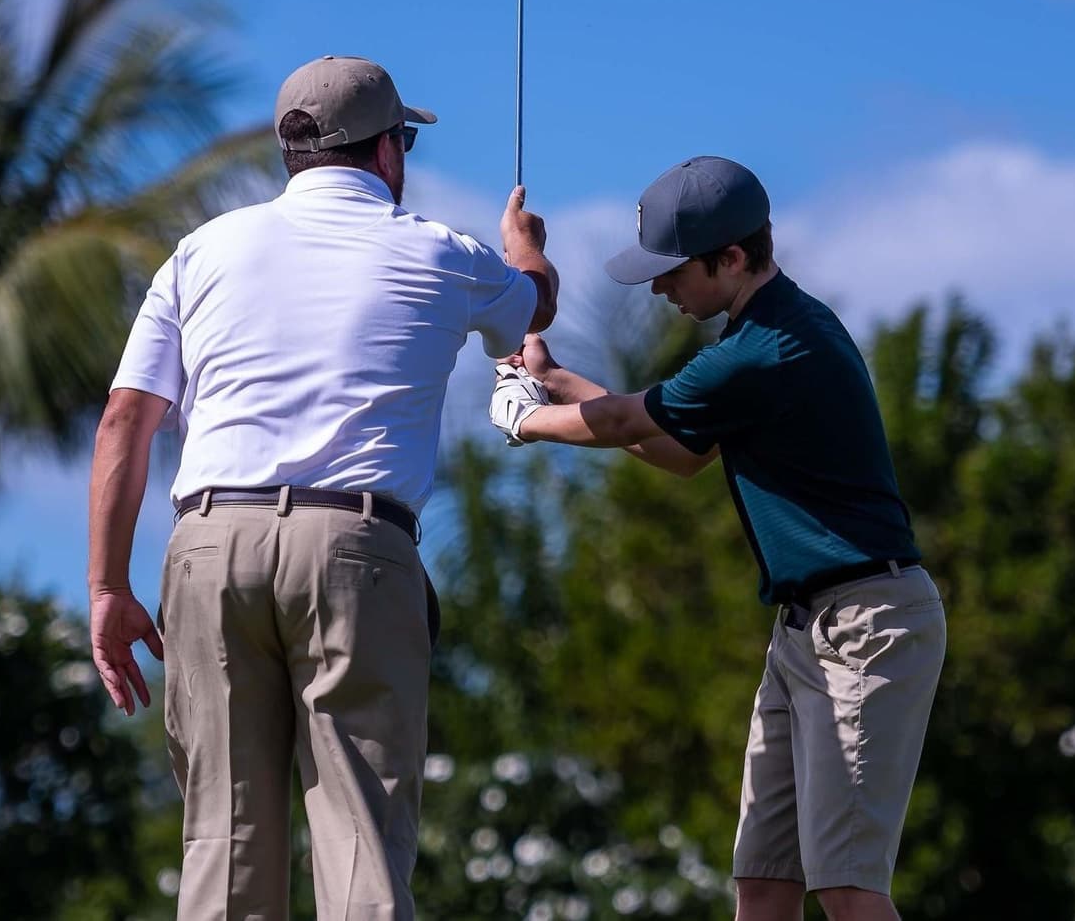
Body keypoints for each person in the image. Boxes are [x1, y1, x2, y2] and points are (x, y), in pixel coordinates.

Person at [87, 55, 559, 920]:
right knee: (359, 842)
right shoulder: (438, 251)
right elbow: (531, 311)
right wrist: (527, 257)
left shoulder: (201, 251)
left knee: (224, 847)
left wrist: (109, 587)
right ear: (388, 153)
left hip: (210, 545)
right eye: (405, 139)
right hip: (357, 547)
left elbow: (125, 419)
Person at [490, 156, 943, 921]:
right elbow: (677, 450)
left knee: (848, 888)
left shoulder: (766, 349)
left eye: (672, 272)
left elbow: (636, 422)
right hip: (806, 631)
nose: (660, 288)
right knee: (763, 883)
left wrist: (522, 417)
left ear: (731, 258)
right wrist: (556, 381)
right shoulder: (762, 335)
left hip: (867, 626)